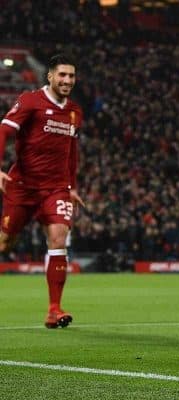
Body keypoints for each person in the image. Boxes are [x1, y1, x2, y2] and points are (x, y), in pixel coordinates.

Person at [0, 54, 84, 328]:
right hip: (23, 187)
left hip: (56, 189)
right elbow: (3, 131)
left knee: (58, 239)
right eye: (62, 75)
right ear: (49, 76)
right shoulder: (30, 101)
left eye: (71, 76)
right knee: (5, 243)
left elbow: (71, 152)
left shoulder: (74, 111)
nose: (67, 80)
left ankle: (54, 309)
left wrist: (70, 186)